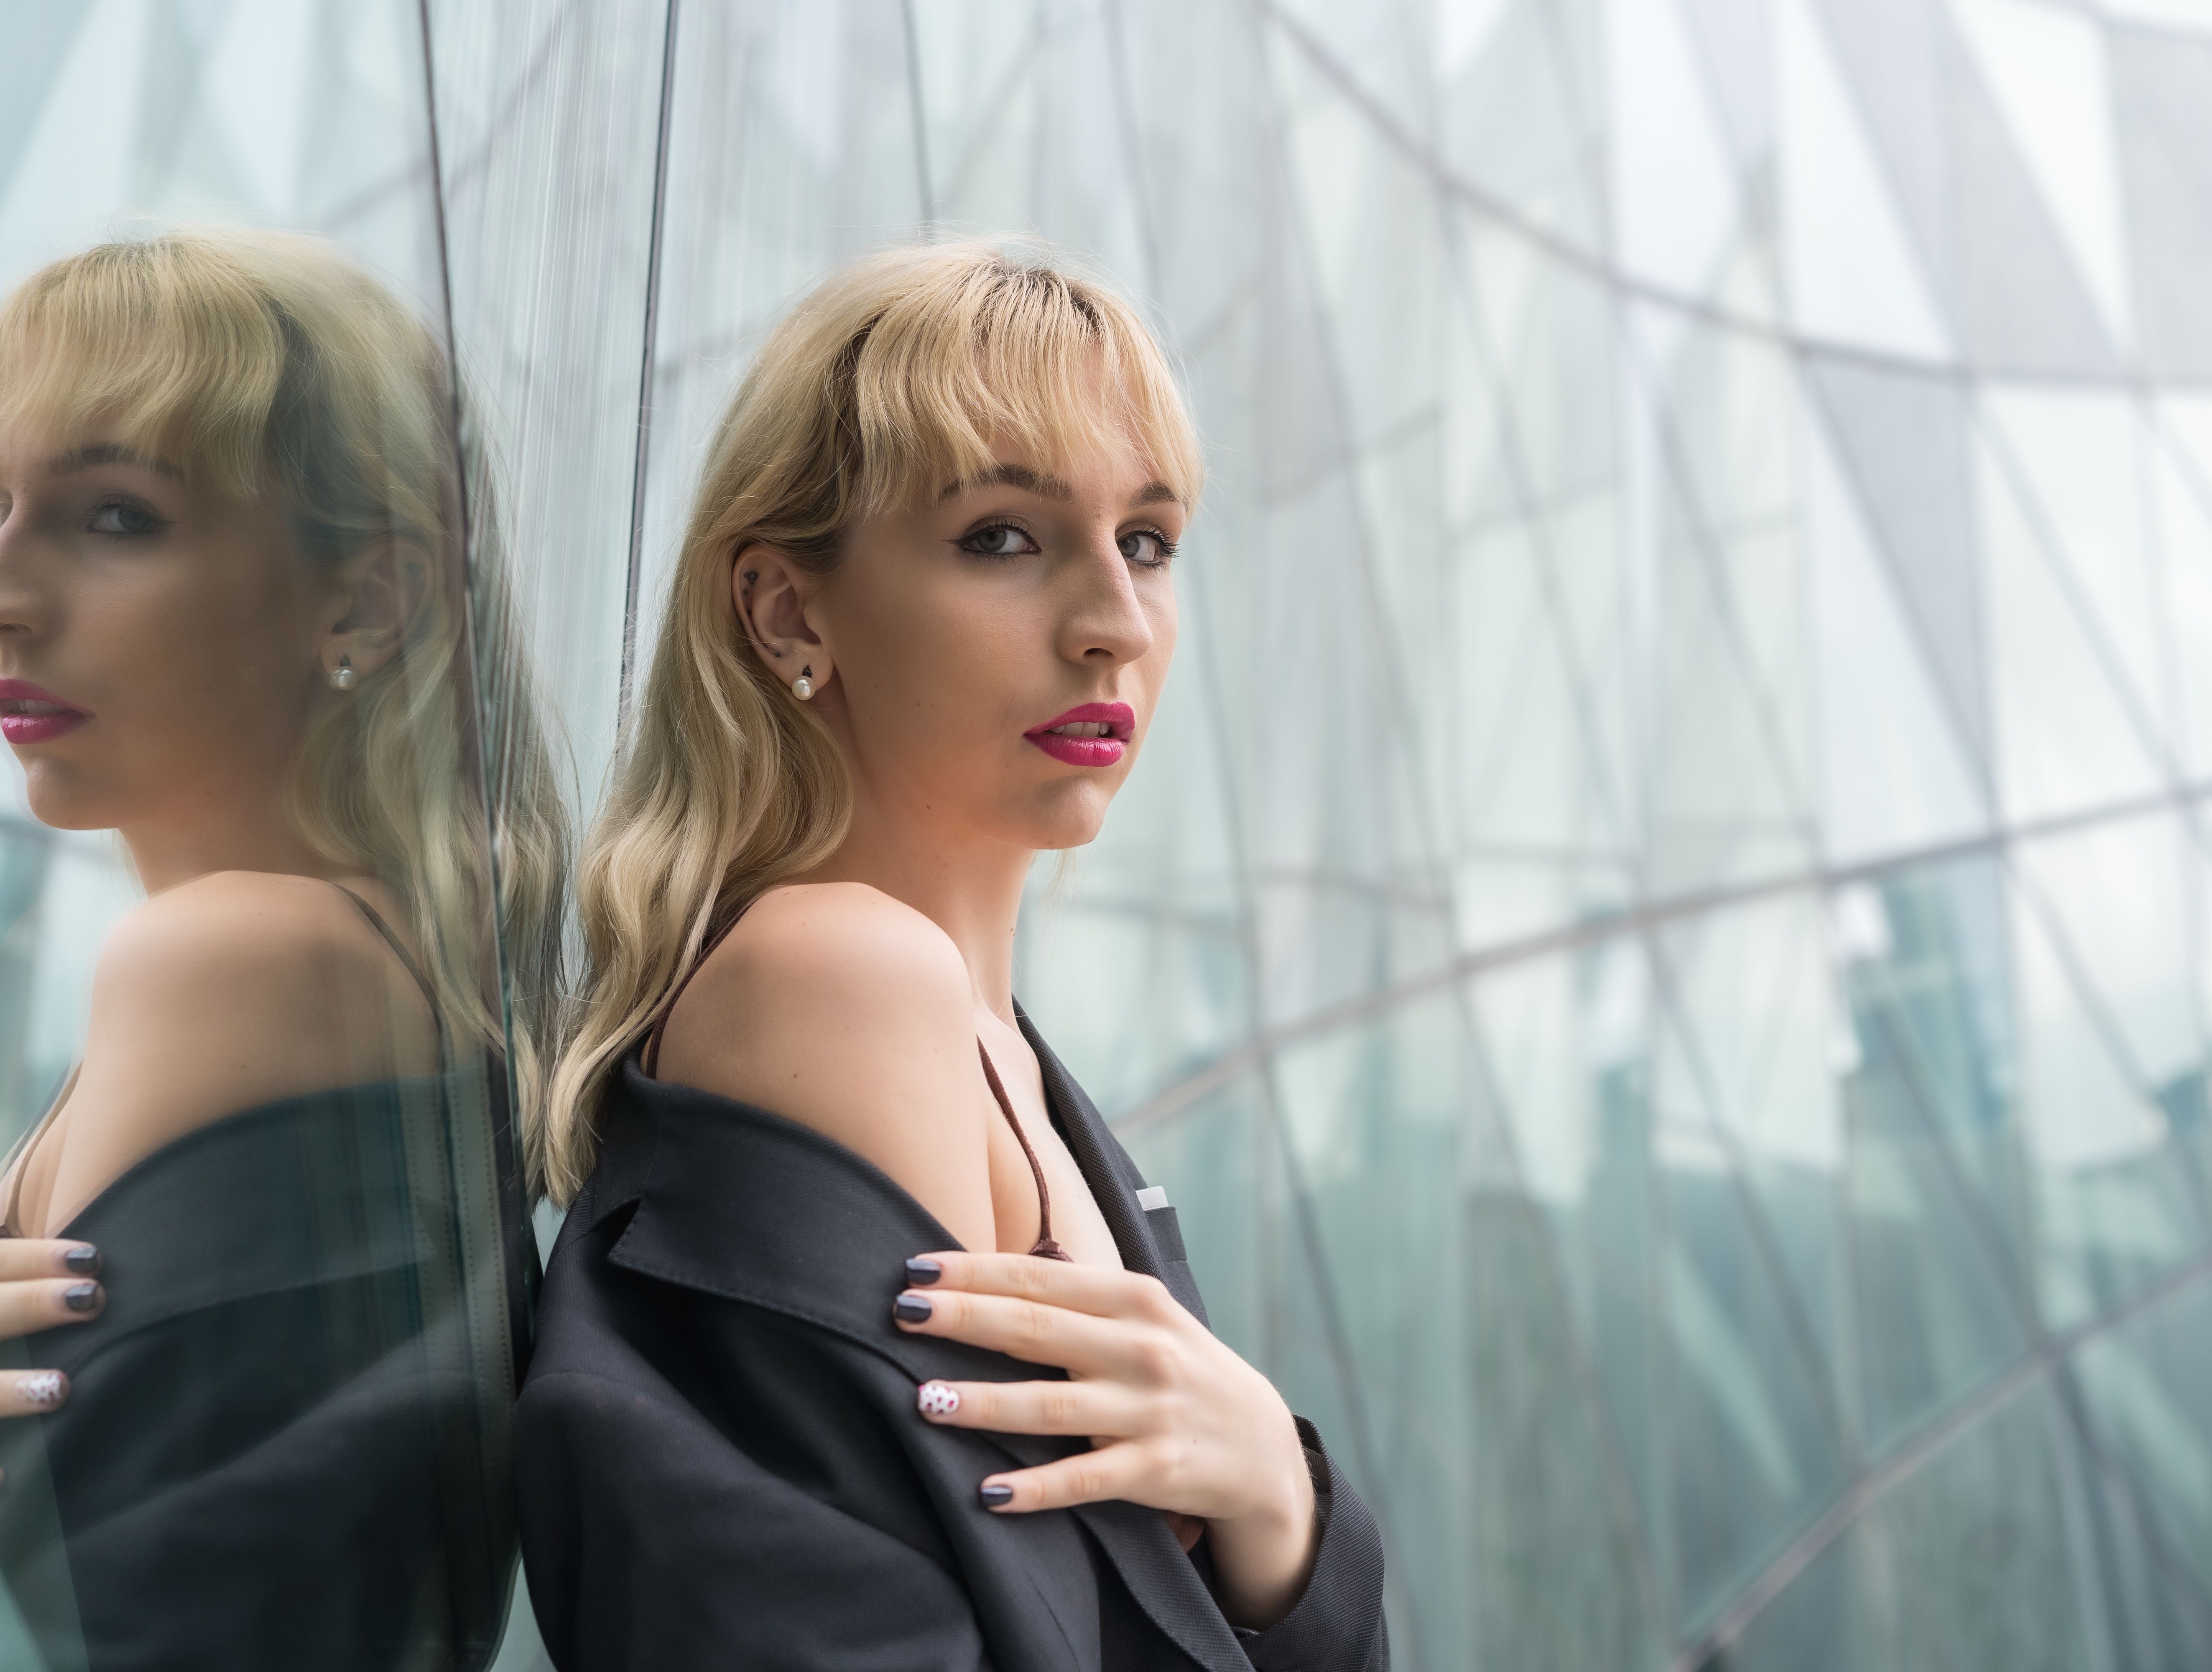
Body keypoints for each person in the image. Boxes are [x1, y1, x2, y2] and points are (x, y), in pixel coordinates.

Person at [522, 242, 1389, 1671]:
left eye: (1148, 542)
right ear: (788, 610)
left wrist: (1276, 1491)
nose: (1114, 625)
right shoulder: (844, 978)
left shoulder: (1003, 1053)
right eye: (1003, 538)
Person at [0, 227, 565, 1670]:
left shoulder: (233, 960)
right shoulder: (380, 964)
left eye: (114, 517)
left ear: (370, 599)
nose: (10, 589)